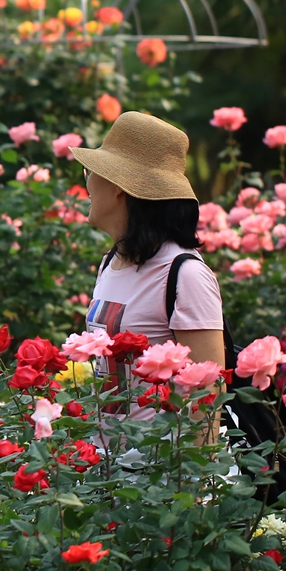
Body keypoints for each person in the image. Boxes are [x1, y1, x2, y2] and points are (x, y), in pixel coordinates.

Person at [69, 111, 225, 422]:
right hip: (111, 463)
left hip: (161, 466)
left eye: (93, 170)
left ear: (119, 187)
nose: (86, 179)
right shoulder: (110, 263)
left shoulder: (185, 274)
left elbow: (207, 400)